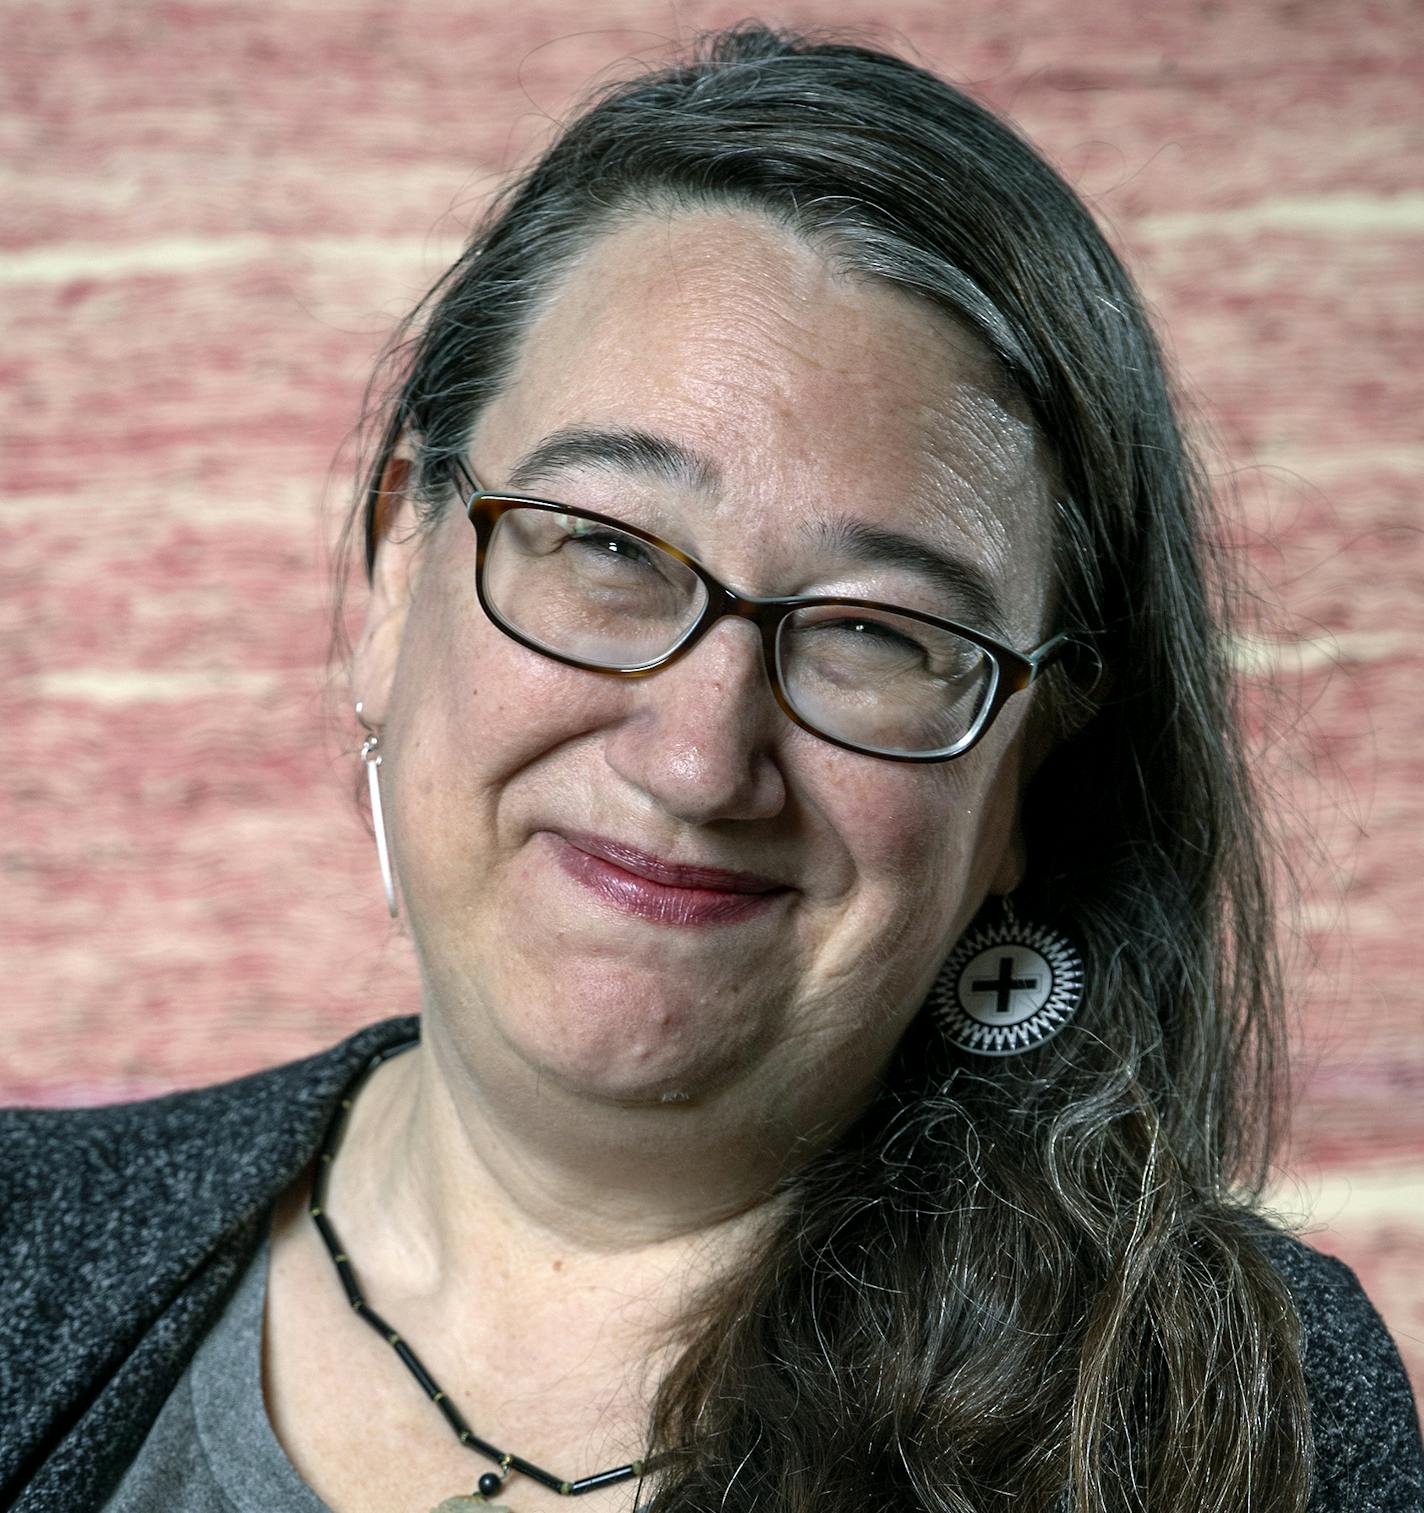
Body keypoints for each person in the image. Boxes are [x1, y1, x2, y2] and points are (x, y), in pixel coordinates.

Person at [2, 22, 1420, 1513]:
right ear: (395, 564)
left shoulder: (1233, 1412)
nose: (697, 757)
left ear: (1026, 773)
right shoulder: (25, 1242)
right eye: (610, 548)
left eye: (879, 631)